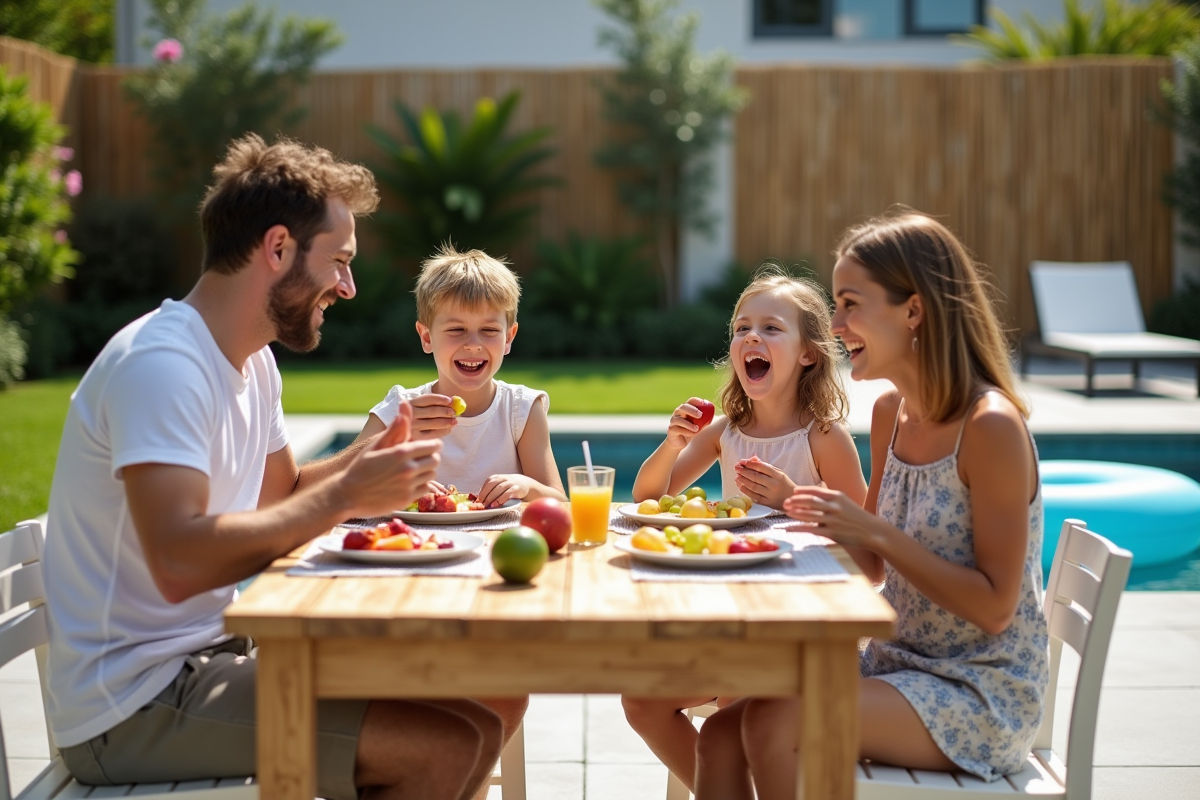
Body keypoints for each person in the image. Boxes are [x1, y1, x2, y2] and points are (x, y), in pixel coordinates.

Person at [42, 134, 513, 800]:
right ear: (278, 249)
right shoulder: (163, 367)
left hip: (206, 660)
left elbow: (283, 493)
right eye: (340, 261)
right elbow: (180, 564)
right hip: (131, 702)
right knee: (440, 747)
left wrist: (371, 455)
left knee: (479, 724)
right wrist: (350, 491)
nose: (347, 287)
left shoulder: (250, 362)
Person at [693, 211, 1050, 800]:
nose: (835, 325)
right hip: (893, 664)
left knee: (770, 722)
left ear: (913, 311)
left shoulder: (989, 428)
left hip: (977, 691)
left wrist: (874, 533)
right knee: (718, 738)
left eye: (851, 304)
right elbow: (871, 570)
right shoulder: (890, 415)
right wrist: (817, 532)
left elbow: (993, 608)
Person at [624, 266, 869, 793]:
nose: (751, 337)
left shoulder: (823, 438)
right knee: (641, 701)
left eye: (771, 328)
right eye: (741, 328)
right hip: (732, 620)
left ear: (809, 352)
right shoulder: (726, 431)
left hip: (803, 629)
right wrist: (671, 443)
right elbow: (646, 497)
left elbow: (865, 544)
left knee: (735, 708)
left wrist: (790, 499)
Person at [355, 245, 566, 506]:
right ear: (426, 337)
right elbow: (346, 483)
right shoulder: (402, 408)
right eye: (457, 329)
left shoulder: (521, 410)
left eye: (489, 330)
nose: (473, 344)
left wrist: (525, 486)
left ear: (508, 338)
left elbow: (559, 500)